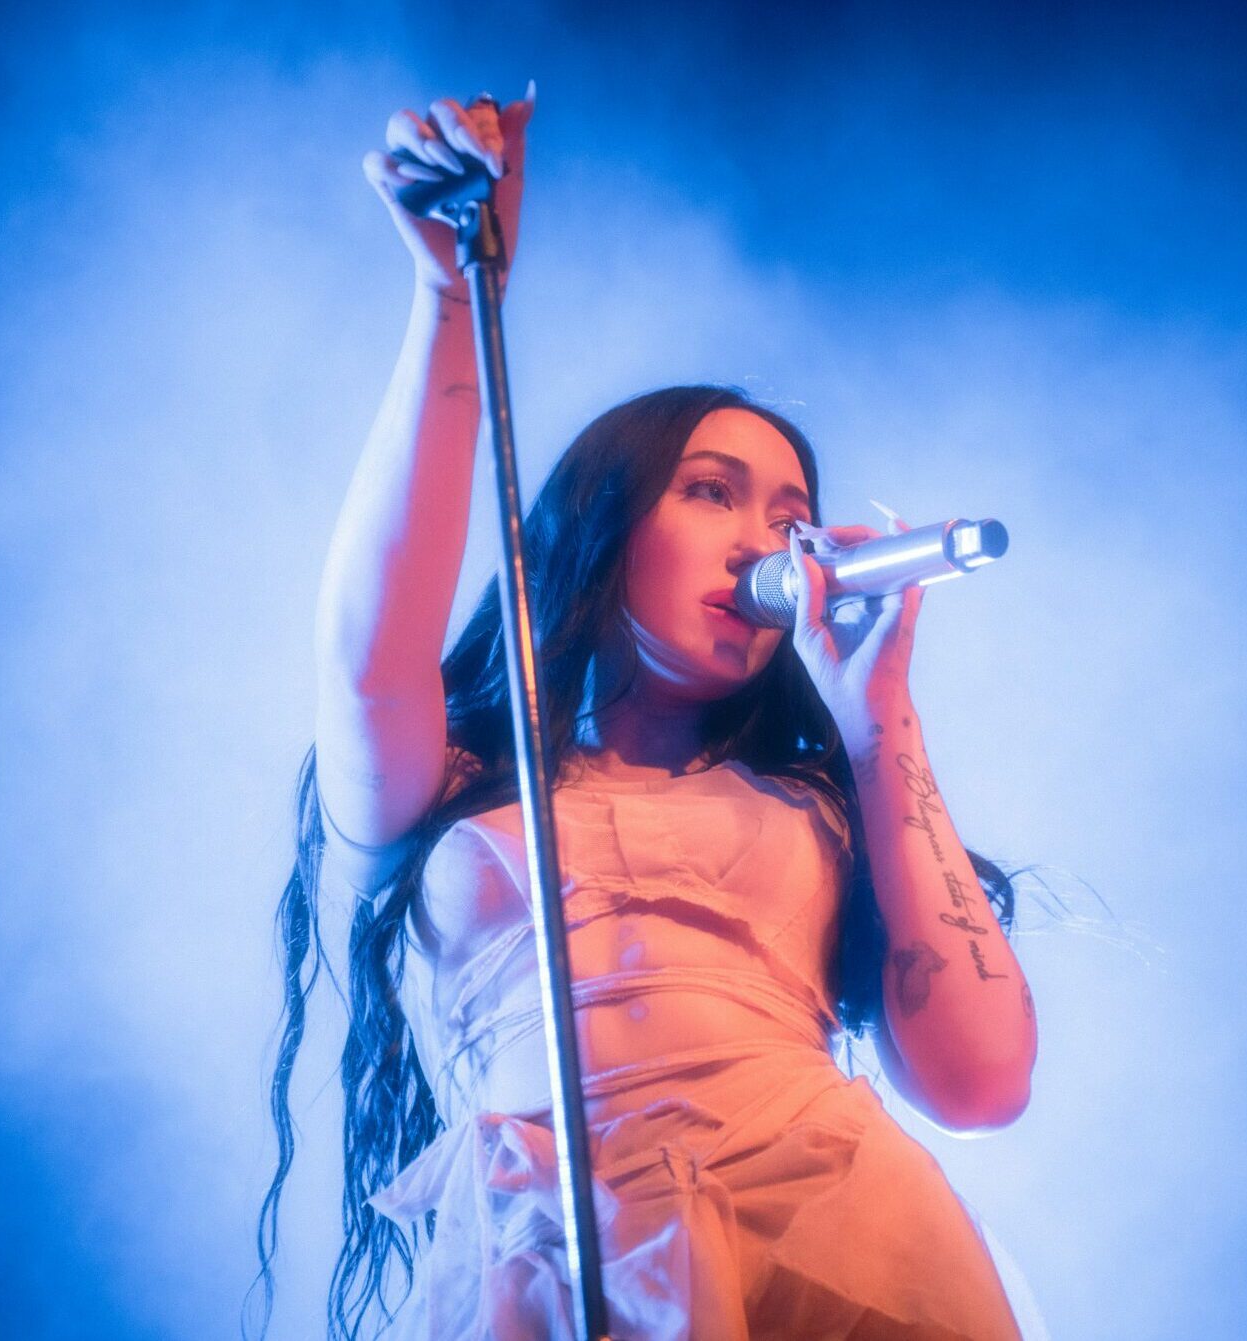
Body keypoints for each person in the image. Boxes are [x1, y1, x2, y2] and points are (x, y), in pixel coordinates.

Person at [252, 89, 1041, 1341]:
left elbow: (983, 1081)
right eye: (711, 492)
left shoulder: (821, 803)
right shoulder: (458, 778)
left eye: (789, 515)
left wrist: (878, 716)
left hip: (847, 1245)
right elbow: (364, 656)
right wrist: (457, 302)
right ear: (603, 532)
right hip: (556, 1259)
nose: (767, 539)